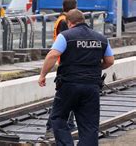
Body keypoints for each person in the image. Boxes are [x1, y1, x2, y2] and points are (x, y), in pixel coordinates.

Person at [38, 9, 114, 145]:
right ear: (83, 21)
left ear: (69, 22)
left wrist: (43, 75)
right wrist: (95, 68)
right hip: (92, 86)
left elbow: (52, 55)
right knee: (89, 125)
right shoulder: (101, 38)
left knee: (58, 117)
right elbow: (109, 61)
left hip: (69, 84)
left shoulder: (65, 36)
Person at [45, 0, 78, 137]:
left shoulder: (61, 19)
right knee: (64, 97)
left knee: (68, 96)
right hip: (66, 63)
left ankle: (69, 123)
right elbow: (68, 41)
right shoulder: (65, 22)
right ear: (73, 8)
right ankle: (52, 126)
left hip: (64, 61)